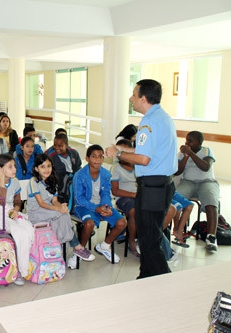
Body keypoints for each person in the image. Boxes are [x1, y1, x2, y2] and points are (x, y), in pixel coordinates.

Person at [105, 79, 177, 278]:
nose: (130, 98)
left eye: (133, 94)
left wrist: (117, 155)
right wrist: (121, 148)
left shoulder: (149, 122)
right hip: (163, 184)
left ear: (143, 98)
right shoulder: (163, 117)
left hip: (153, 187)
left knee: (148, 239)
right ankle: (145, 277)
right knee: (150, 235)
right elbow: (146, 151)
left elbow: (143, 159)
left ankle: (163, 277)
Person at [27, 154, 95, 269]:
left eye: (49, 166)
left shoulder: (53, 180)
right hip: (36, 212)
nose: (46, 169)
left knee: (64, 213)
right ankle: (76, 246)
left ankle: (62, 247)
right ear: (36, 168)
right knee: (60, 214)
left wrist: (61, 207)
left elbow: (54, 201)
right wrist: (58, 209)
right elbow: (41, 204)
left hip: (49, 211)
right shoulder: (33, 181)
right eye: (42, 167)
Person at [0, 153, 34, 285]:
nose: (14, 169)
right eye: (10, 167)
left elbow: (17, 201)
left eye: (14, 166)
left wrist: (16, 211)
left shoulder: (15, 181)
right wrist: (1, 181)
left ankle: (25, 264)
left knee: (28, 228)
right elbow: (1, 202)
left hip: (10, 212)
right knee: (19, 233)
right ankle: (19, 272)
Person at [73, 144, 127, 263]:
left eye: (100, 156)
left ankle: (104, 246)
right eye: (93, 156)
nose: (97, 159)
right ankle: (80, 250)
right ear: (87, 158)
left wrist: (106, 206)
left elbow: (106, 194)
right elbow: (79, 199)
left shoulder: (106, 174)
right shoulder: (79, 175)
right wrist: (96, 208)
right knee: (88, 225)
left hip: (101, 206)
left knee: (121, 222)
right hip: (84, 207)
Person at [174, 130, 220, 252]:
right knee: (175, 199)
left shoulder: (206, 150)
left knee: (211, 201)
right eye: (186, 140)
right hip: (188, 182)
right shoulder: (183, 153)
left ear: (199, 142)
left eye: (190, 140)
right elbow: (177, 172)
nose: (187, 142)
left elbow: (205, 167)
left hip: (206, 182)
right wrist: (185, 156)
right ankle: (177, 230)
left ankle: (211, 237)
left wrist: (191, 154)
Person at [110, 139, 140, 257]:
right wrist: (134, 195)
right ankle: (131, 241)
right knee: (133, 211)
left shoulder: (138, 166)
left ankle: (144, 239)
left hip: (139, 195)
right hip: (122, 198)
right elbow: (115, 191)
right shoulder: (116, 169)